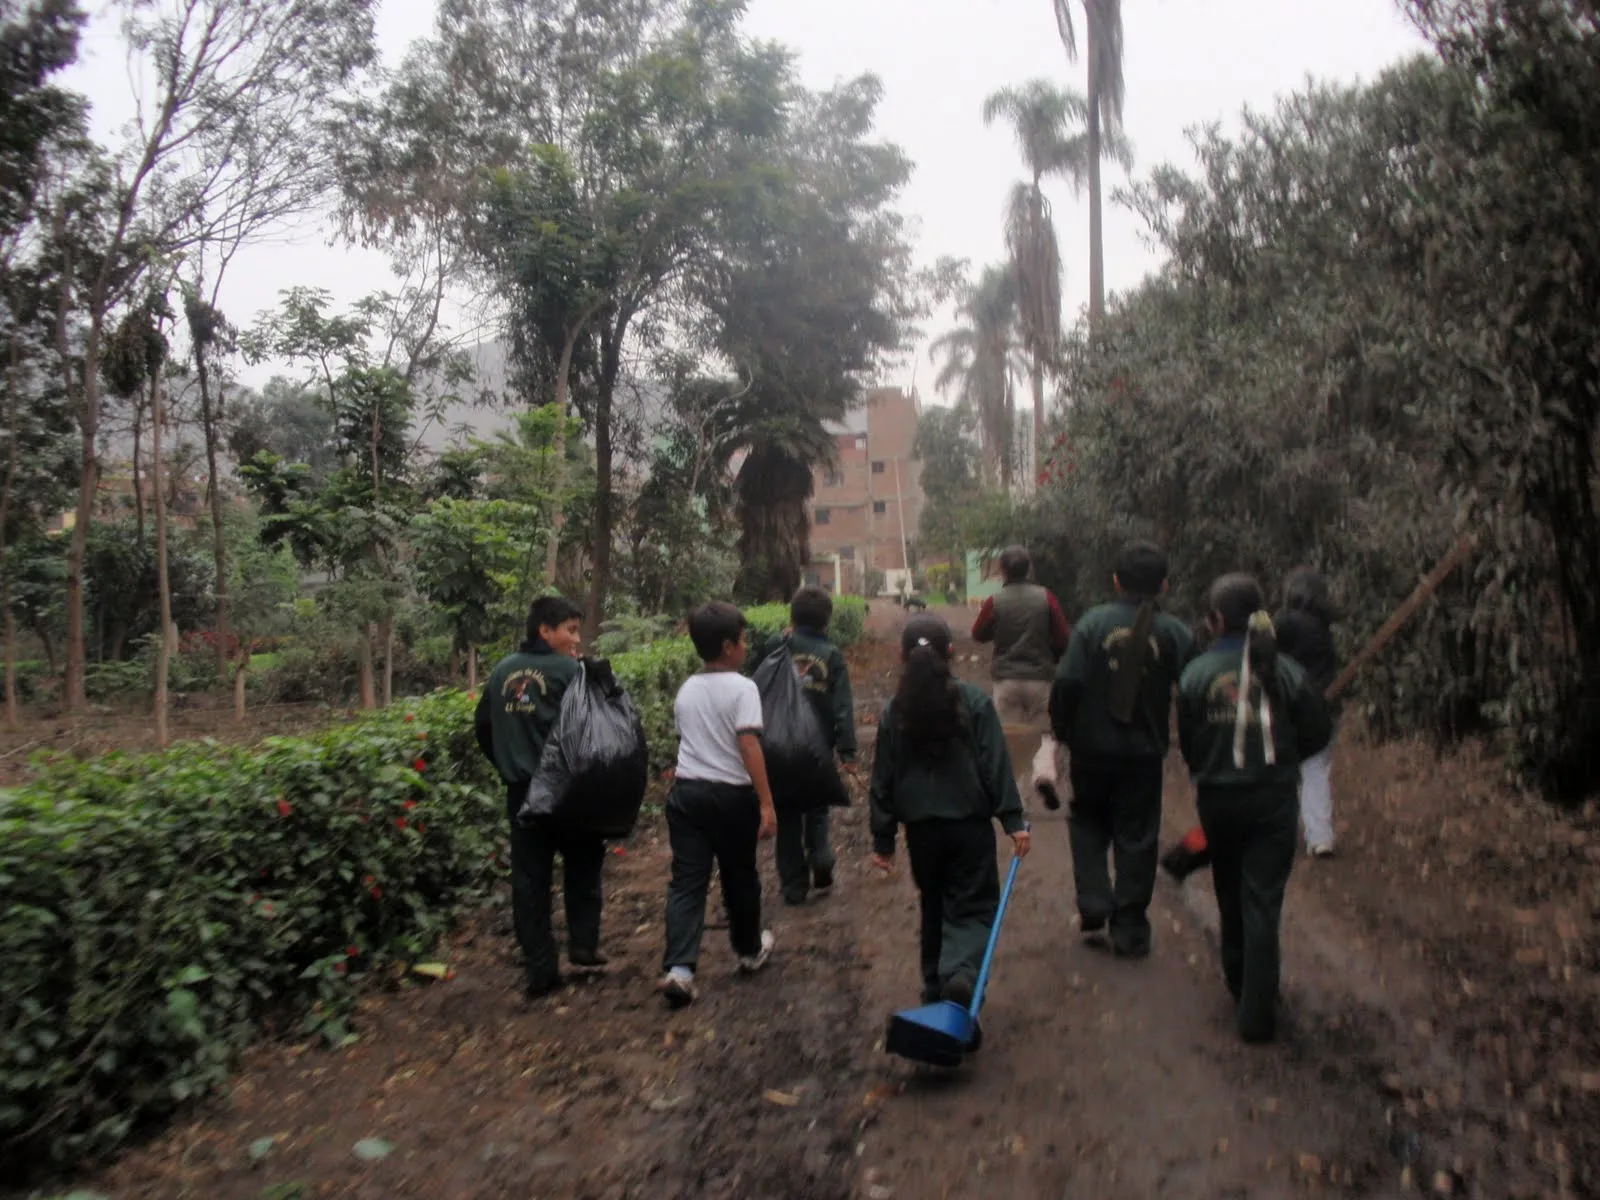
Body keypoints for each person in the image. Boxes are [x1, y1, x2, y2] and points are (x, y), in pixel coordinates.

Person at [1178, 574, 1333, 1043]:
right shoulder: (1287, 671)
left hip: (1220, 802)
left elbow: (1189, 744)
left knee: (1229, 895)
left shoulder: (1197, 674)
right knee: (1261, 901)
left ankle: (1239, 983)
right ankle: (1257, 1012)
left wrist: (1215, 767)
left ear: (1216, 620)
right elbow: (1318, 732)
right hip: (1273, 803)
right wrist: (1282, 760)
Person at [870, 615, 1031, 1009]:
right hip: (968, 828)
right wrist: (1013, 821)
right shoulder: (973, 702)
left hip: (922, 833)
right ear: (952, 653)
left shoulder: (896, 711)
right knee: (973, 907)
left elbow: (883, 777)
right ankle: (959, 976)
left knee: (935, 905)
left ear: (902, 656)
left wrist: (883, 838)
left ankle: (932, 987)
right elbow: (995, 764)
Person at [1049, 541, 1195, 957]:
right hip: (1143, 755)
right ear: (1164, 585)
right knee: (1137, 835)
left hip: (1091, 750)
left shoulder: (1093, 625)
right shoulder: (1174, 632)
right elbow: (1195, 686)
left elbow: (1067, 684)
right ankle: (1130, 929)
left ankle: (1095, 901)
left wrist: (1063, 732)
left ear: (1115, 581)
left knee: (1088, 820)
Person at [475, 595, 606, 998]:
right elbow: (597, 729)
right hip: (570, 792)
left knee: (530, 880)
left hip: (522, 793)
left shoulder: (500, 673)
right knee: (583, 863)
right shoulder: (571, 672)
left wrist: (507, 765)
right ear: (544, 631)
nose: (575, 637)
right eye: (569, 629)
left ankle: (540, 969)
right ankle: (583, 945)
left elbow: (483, 727)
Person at [659, 601, 778, 1009]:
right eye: (743, 640)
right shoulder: (743, 688)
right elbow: (749, 744)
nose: (746, 646)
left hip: (688, 793)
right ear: (728, 646)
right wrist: (766, 802)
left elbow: (686, 740)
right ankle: (748, 950)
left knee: (687, 881)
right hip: (731, 796)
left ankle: (680, 969)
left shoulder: (687, 689)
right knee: (739, 875)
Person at [748, 585, 858, 906]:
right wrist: (847, 751)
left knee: (787, 816)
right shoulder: (832, 655)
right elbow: (843, 706)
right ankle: (821, 860)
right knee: (817, 809)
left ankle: (794, 887)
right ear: (827, 622)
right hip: (817, 750)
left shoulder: (775, 646)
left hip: (777, 749)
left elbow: (754, 673)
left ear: (791, 617)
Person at [971, 546, 1073, 807]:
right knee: (1044, 731)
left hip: (1006, 679)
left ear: (1002, 570)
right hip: (1040, 678)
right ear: (1029, 568)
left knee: (1011, 738)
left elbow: (978, 633)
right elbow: (1063, 637)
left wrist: (1000, 632)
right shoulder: (1046, 598)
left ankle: (1016, 801)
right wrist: (1053, 655)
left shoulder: (996, 601)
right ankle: (1044, 775)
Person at [1274, 567, 1340, 857]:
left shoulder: (1286, 622)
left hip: (1290, 709)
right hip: (1325, 709)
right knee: (1316, 771)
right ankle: (1320, 837)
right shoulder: (1325, 627)